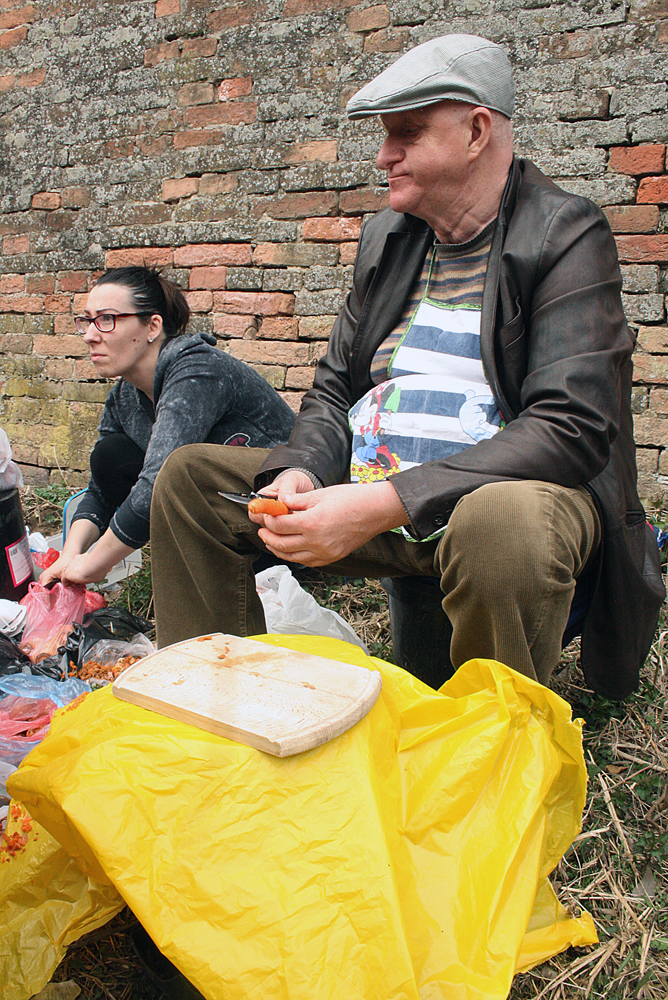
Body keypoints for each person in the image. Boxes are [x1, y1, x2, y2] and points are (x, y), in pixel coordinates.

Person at [150, 35, 664, 700]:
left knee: (500, 525)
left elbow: (571, 427)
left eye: (407, 134)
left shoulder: (564, 233)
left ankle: (487, 742)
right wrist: (302, 472)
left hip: (502, 502)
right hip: (377, 482)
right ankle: (219, 707)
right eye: (385, 136)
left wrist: (382, 504)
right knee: (191, 481)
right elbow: (334, 390)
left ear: (477, 131)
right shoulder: (387, 239)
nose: (383, 155)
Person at [40, 266, 296, 587]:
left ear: (153, 326)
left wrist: (93, 565)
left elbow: (158, 479)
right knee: (111, 455)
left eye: (107, 319)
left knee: (175, 470)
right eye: (87, 321)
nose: (90, 335)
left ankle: (259, 570)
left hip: (279, 514)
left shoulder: (198, 369)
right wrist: (70, 554)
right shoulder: (124, 396)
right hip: (218, 505)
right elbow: (100, 491)